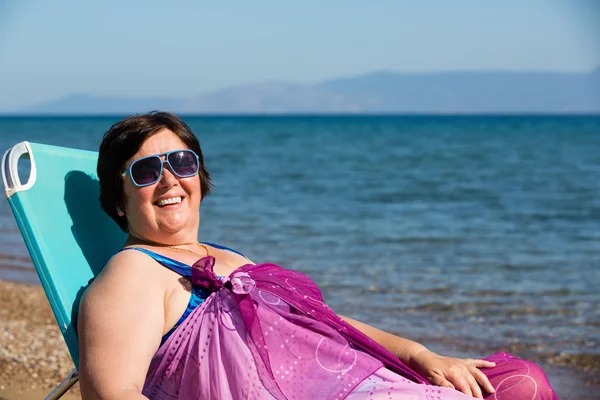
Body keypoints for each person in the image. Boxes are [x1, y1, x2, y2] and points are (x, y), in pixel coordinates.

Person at [78, 111, 558, 400]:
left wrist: (421, 354)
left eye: (181, 162)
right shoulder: (132, 274)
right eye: (144, 171)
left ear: (199, 177)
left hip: (346, 380)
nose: (168, 181)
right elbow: (111, 393)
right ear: (118, 200)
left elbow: (320, 322)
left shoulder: (226, 257)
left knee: (517, 378)